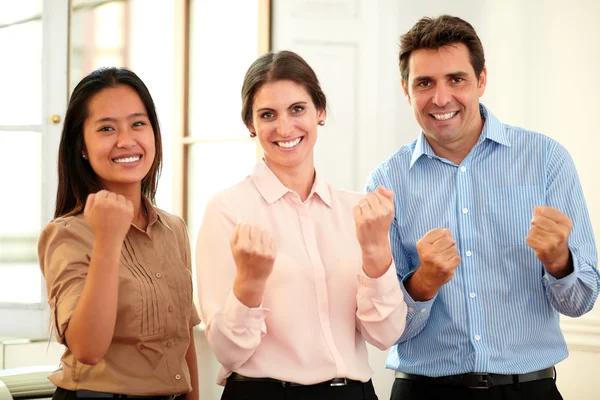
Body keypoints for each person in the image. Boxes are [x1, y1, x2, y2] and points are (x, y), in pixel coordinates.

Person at [366, 14, 600, 400]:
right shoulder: (385, 183)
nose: (441, 98)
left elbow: (582, 300)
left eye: (456, 79)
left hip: (529, 389)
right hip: (424, 391)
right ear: (406, 91)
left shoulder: (546, 160)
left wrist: (560, 262)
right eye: (424, 83)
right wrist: (423, 283)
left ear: (482, 81)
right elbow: (384, 328)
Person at [195, 50, 407, 400]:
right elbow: (228, 352)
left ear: (319, 112)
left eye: (297, 109)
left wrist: (376, 252)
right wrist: (250, 281)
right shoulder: (227, 211)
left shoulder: (355, 210)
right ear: (250, 124)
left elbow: (385, 335)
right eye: (267, 115)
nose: (284, 127)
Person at [38, 67, 200, 400]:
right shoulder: (67, 234)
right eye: (107, 128)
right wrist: (109, 240)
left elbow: (182, 341)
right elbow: (87, 348)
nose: (126, 140)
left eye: (138, 124)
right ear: (81, 146)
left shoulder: (174, 229)